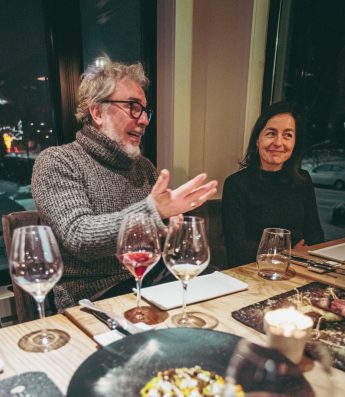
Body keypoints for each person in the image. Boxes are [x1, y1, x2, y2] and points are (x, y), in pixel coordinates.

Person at [31, 56, 217, 310]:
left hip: (153, 281)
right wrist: (154, 211)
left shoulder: (143, 167)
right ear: (97, 112)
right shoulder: (58, 161)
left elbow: (154, 238)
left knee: (220, 302)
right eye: (133, 107)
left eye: (144, 110)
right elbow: (79, 236)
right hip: (93, 297)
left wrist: (169, 225)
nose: (144, 120)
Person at [222, 101, 324, 267]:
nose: (278, 143)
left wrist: (306, 254)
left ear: (294, 144)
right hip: (254, 269)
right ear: (257, 140)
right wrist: (287, 253)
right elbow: (237, 249)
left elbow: (315, 234)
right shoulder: (236, 184)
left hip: (301, 267)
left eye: (287, 135)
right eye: (271, 133)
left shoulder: (303, 180)